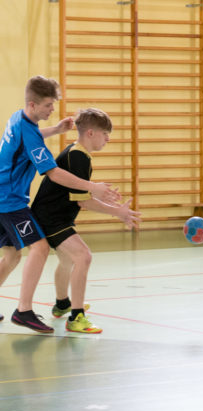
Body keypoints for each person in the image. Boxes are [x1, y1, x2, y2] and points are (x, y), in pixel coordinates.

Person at [0, 75, 119, 333]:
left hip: (4, 197)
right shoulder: (31, 134)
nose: (52, 109)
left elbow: (29, 138)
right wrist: (93, 187)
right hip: (9, 201)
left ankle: (47, 306)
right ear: (32, 104)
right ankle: (23, 311)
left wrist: (55, 130)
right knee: (40, 248)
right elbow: (54, 173)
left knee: (11, 255)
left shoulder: (18, 118)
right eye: (48, 105)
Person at [31, 108, 140, 334]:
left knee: (67, 260)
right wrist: (118, 212)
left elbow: (81, 195)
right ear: (90, 133)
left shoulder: (77, 153)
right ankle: (76, 317)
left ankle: (62, 304)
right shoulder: (78, 156)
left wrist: (104, 198)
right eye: (105, 134)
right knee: (83, 256)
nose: (108, 139)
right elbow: (84, 202)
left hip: (54, 215)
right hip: (52, 218)